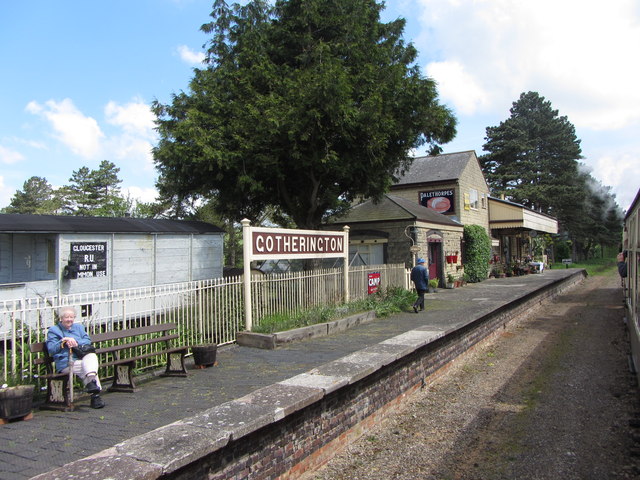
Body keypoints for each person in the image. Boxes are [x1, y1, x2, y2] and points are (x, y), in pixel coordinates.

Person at [46, 306, 105, 409]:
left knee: (91, 356)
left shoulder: (79, 327)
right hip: (66, 362)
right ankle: (95, 395)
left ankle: (91, 381)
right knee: (86, 368)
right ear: (61, 318)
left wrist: (75, 341)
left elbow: (87, 341)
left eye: (71, 317)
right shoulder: (54, 330)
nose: (69, 320)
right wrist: (63, 341)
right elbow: (51, 349)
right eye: (66, 317)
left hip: (81, 356)